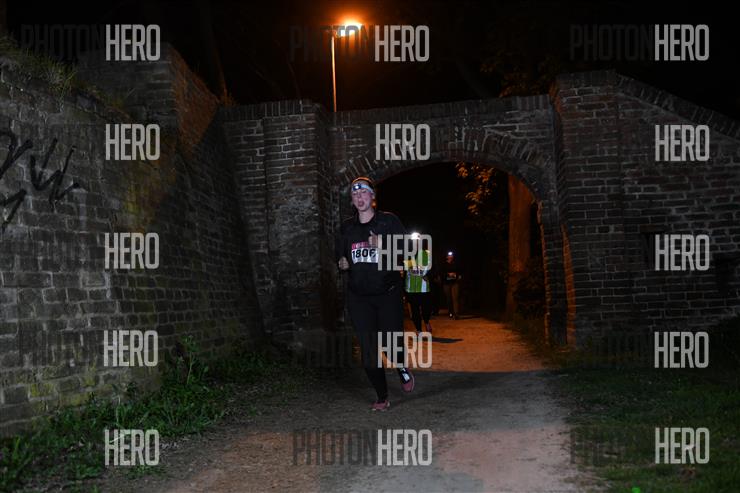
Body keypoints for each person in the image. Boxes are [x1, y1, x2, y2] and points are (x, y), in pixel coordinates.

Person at [336, 176, 415, 411]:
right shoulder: (347, 228)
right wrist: (342, 262)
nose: (359, 197)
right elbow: (340, 255)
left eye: (363, 193)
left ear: (372, 197)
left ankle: (400, 366)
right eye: (355, 194)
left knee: (391, 344)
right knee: (368, 348)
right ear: (352, 200)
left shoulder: (388, 221)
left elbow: (409, 250)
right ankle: (382, 396)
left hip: (387, 293)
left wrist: (384, 245)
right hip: (359, 297)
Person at [404, 233, 433, 334]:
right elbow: (406, 269)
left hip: (423, 288)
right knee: (415, 310)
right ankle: (419, 329)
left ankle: (426, 321)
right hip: (411, 288)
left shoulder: (427, 254)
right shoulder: (408, 254)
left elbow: (427, 269)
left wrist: (414, 270)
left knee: (426, 308)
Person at [441, 251, 461, 319]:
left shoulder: (456, 264)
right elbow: (441, 273)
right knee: (449, 298)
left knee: (455, 298)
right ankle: (450, 312)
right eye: (449, 255)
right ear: (447, 257)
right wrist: (448, 274)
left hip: (454, 283)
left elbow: (460, 271)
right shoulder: (444, 264)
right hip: (446, 283)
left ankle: (456, 313)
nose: (450, 256)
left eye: (451, 255)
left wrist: (457, 275)